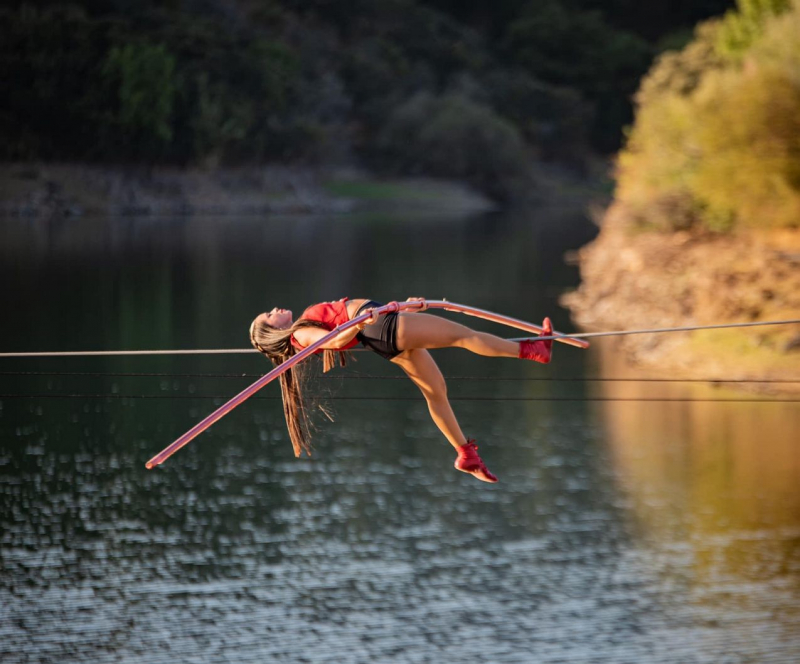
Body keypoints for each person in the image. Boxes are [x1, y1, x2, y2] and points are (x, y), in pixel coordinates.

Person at [249, 297, 554, 483]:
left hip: (382, 329)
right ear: (271, 329)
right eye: (268, 315)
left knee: (436, 392)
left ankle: (465, 454)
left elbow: (351, 326)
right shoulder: (300, 332)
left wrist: (407, 310)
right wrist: (361, 323)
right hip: (379, 329)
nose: (274, 310)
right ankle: (533, 349)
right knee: (463, 336)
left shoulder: (301, 326)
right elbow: (335, 341)